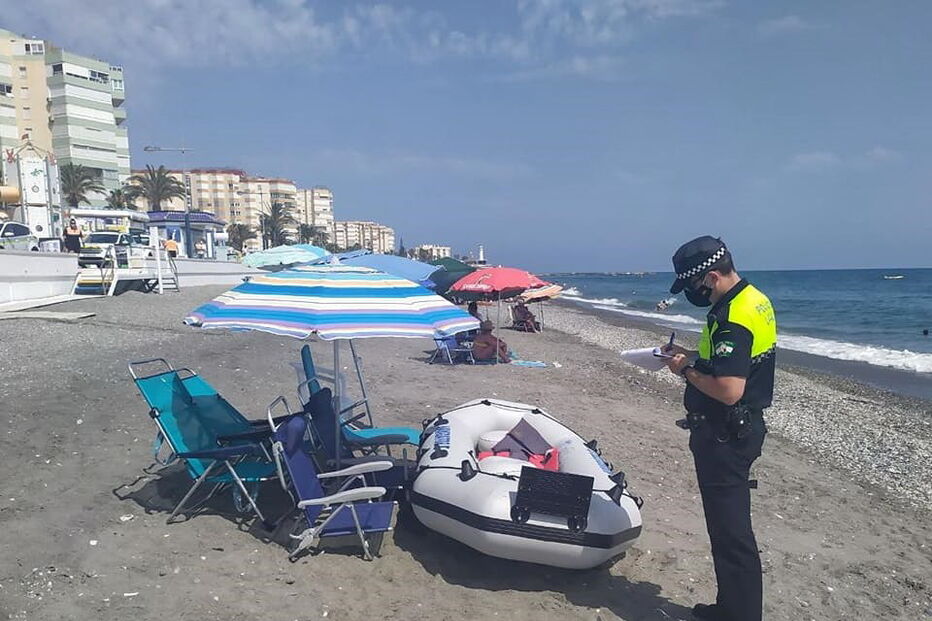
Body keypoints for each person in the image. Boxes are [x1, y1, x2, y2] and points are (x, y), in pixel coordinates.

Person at [662, 236, 776, 621]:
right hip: (738, 429)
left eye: (694, 286)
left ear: (710, 276)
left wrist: (685, 370)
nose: (694, 294)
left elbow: (729, 390)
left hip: (727, 433)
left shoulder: (731, 316)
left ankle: (740, 615)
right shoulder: (754, 299)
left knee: (732, 536)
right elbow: (734, 365)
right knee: (728, 533)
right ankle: (730, 609)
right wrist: (693, 359)